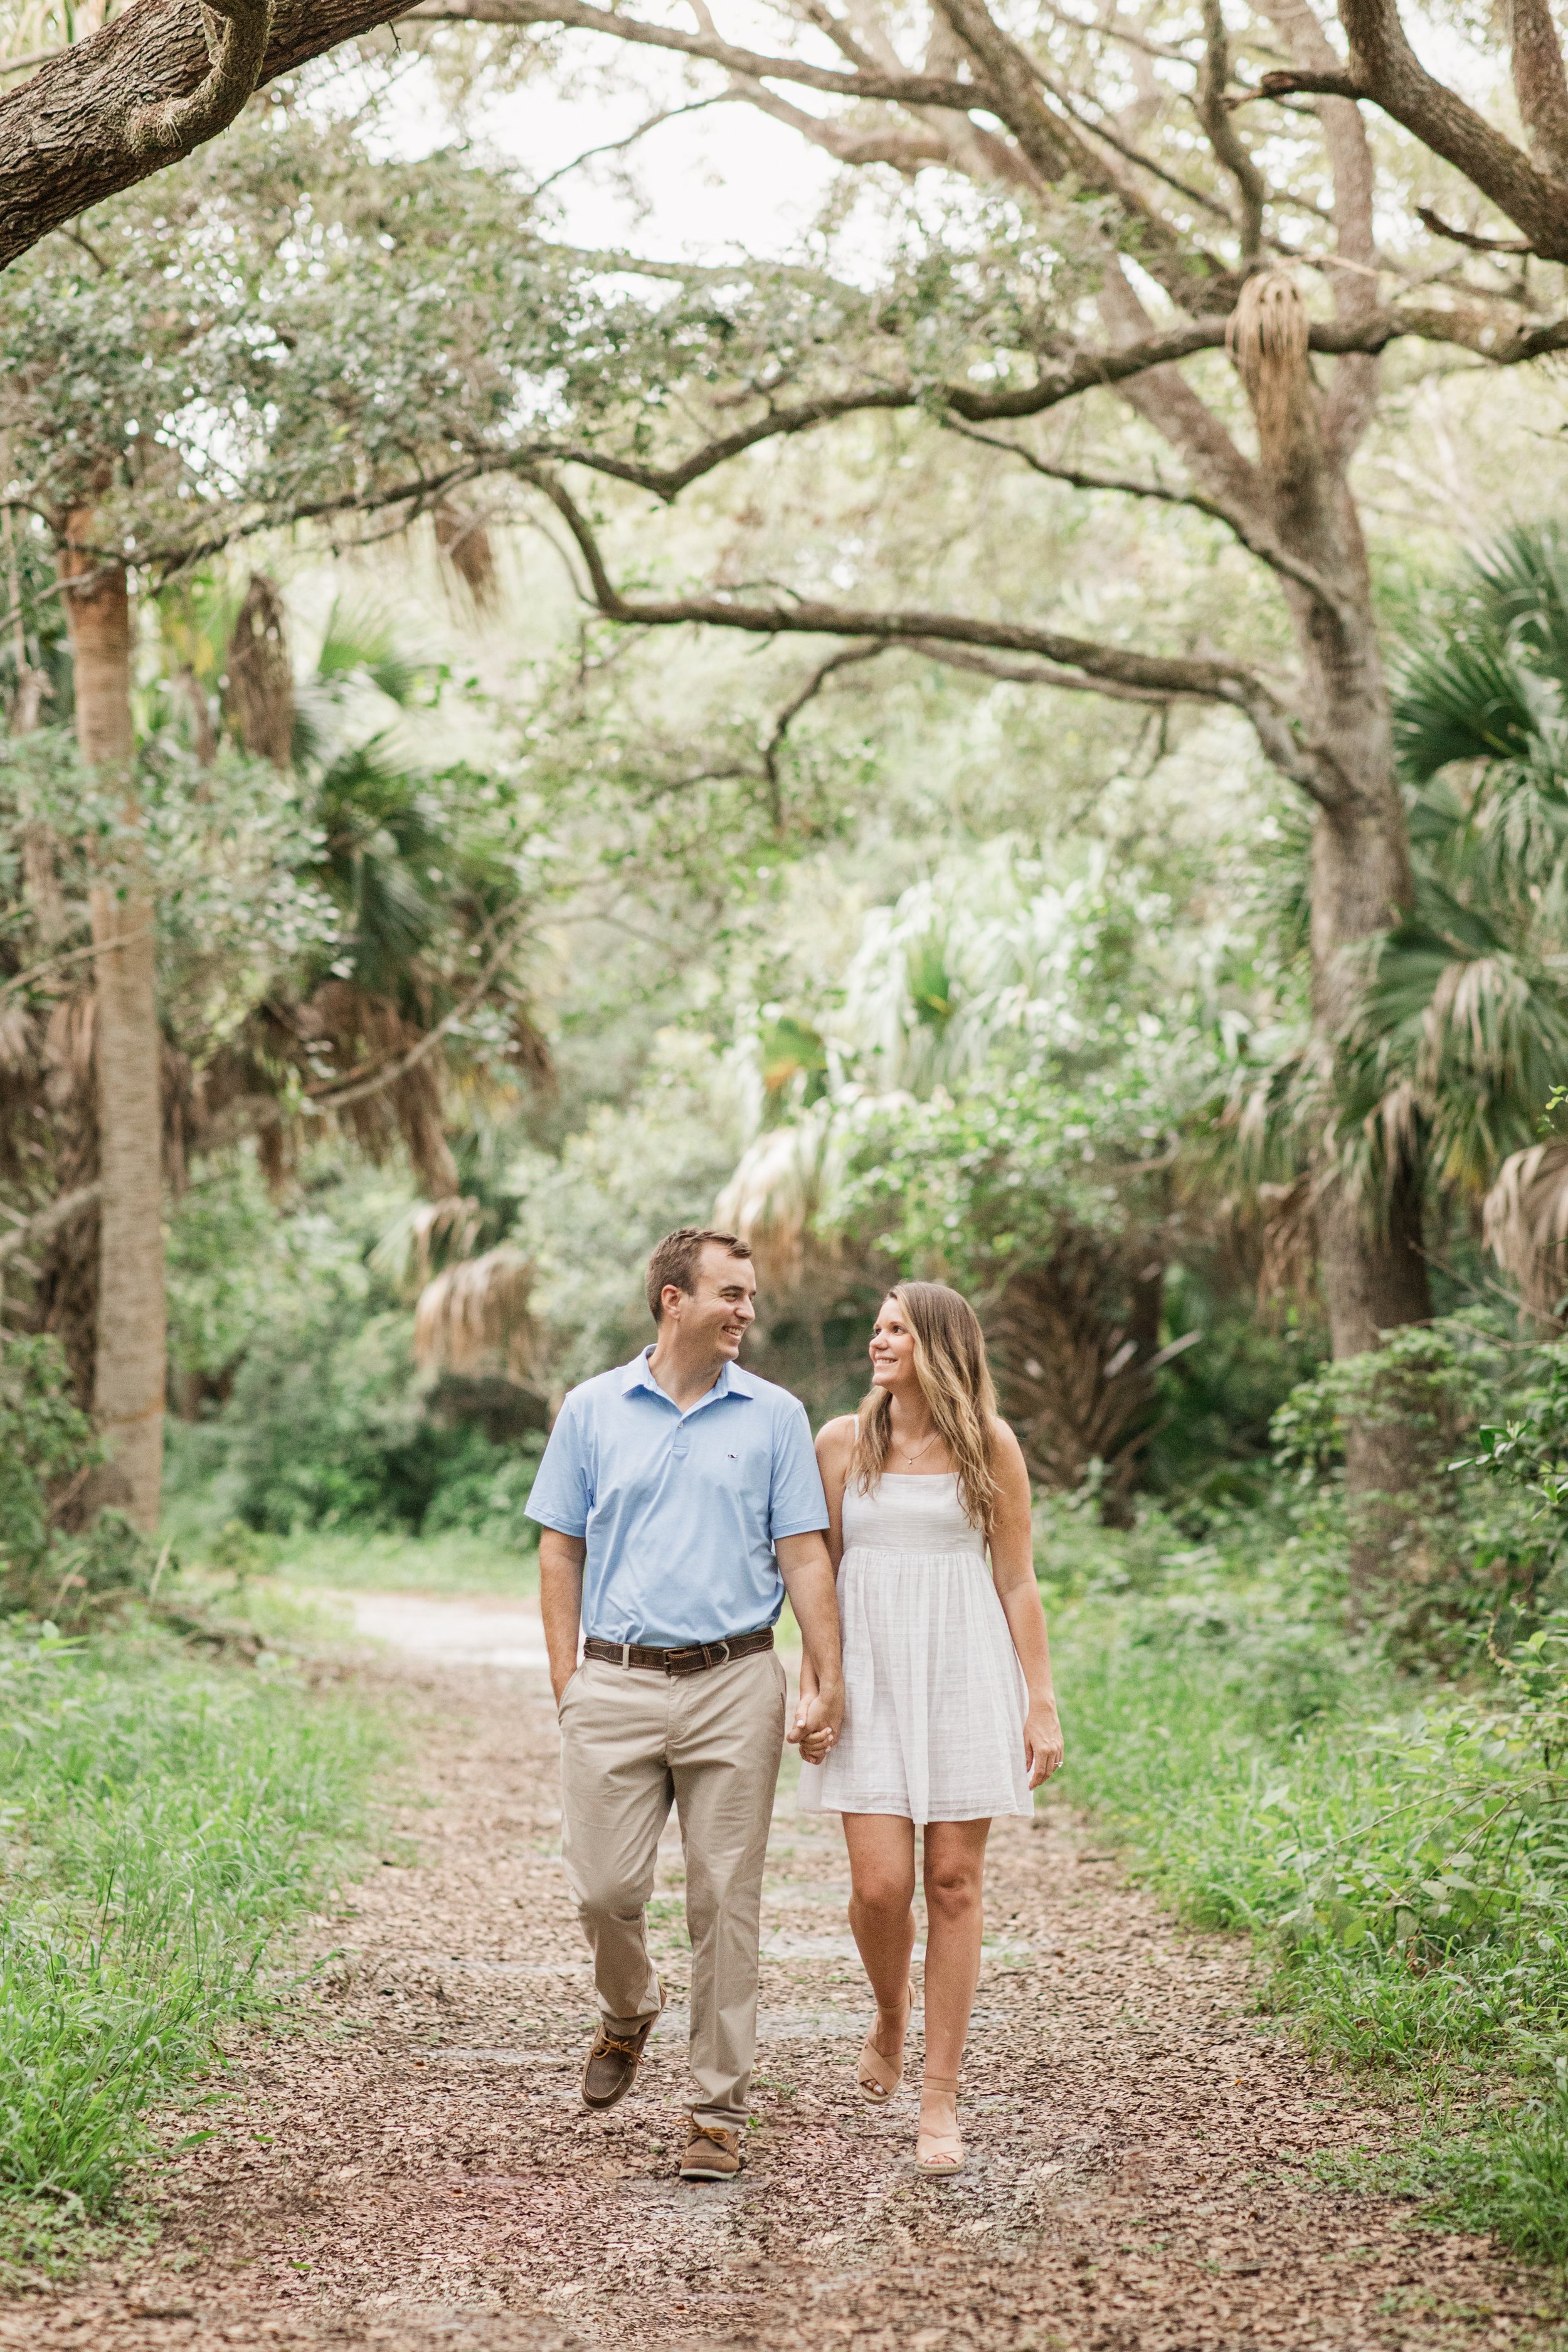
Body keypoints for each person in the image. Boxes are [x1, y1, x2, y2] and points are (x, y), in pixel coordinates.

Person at [526, 1226, 846, 2183]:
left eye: (749, 1295)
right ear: (674, 1298)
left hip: (735, 1680)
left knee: (726, 1901)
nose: (746, 1310)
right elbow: (559, 1547)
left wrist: (825, 1674)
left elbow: (803, 1553)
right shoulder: (591, 1409)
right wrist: (566, 1679)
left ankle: (717, 2108)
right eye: (730, 1293)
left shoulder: (777, 1415)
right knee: (605, 1891)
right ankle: (629, 2007)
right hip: (614, 1681)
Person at [797, 1281, 1064, 2176]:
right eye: (874, 1326)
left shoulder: (990, 1444)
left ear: (940, 1345)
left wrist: (1041, 1699)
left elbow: (1017, 1578)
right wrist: (816, 1685)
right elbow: (817, 1579)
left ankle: (939, 2099)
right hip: (868, 1672)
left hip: (962, 1667)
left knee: (953, 1879)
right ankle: (889, 2009)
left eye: (896, 1329)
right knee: (881, 1888)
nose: (877, 1341)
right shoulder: (842, 1441)